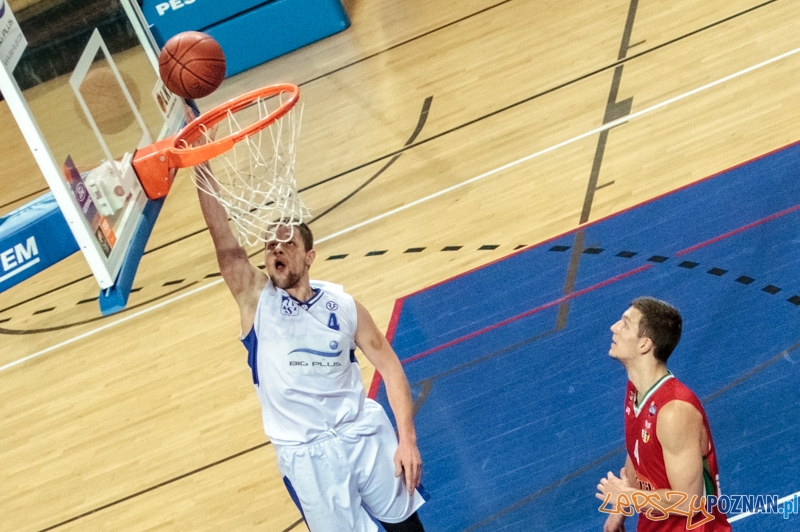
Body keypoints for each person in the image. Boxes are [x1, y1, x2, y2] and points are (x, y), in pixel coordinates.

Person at [194, 152, 426, 530]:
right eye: (270, 246)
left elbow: (389, 365)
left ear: (309, 256)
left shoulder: (344, 305)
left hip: (360, 432)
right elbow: (225, 243)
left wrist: (407, 440)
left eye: (286, 243)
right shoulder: (256, 300)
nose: (276, 249)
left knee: (408, 527)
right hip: (307, 457)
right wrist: (201, 163)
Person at [596, 297, 731, 532]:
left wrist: (629, 497)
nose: (614, 327)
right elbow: (638, 452)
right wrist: (621, 507)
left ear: (644, 345)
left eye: (625, 324)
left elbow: (690, 501)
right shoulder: (636, 390)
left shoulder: (674, 411)